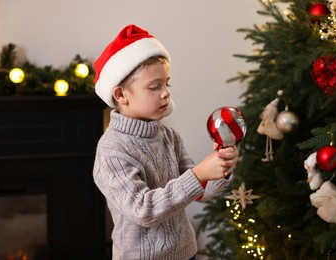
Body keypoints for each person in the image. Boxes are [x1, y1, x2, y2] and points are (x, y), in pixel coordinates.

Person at [93, 24, 239, 260]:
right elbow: (144, 210)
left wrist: (221, 168)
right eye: (154, 87)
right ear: (121, 95)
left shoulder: (168, 136)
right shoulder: (112, 151)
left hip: (185, 253)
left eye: (167, 83)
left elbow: (198, 192)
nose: (165, 93)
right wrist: (199, 174)